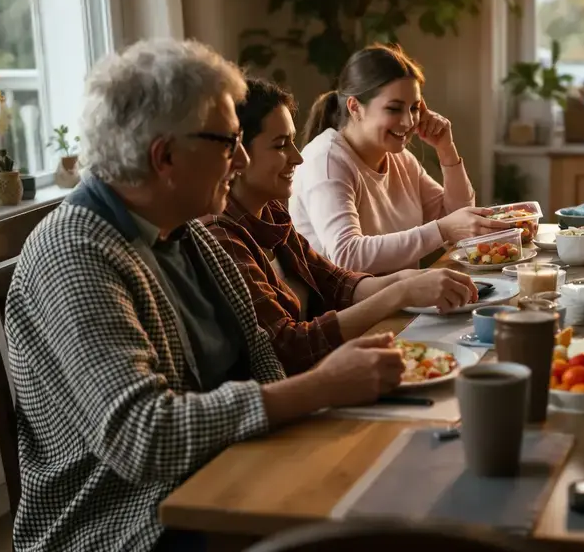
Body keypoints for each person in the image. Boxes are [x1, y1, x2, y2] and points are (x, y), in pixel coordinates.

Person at [5, 40, 407, 552]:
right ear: (165, 156)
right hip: (130, 525)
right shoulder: (75, 254)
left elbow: (261, 356)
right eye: (227, 142)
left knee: (391, 479)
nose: (241, 159)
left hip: (229, 469)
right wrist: (320, 387)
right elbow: (143, 436)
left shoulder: (186, 231)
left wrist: (321, 404)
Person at [205, 78, 480, 375]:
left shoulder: (270, 213)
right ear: (236, 155)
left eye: (414, 108)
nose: (298, 157)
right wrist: (401, 293)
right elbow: (290, 348)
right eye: (281, 145)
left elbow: (337, 284)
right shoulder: (221, 237)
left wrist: (409, 280)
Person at [290, 44, 508, 274]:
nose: (408, 121)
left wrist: (446, 149)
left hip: (403, 293)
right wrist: (441, 230)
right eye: (394, 109)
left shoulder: (401, 159)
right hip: (350, 298)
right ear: (355, 108)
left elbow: (460, 224)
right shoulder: (326, 160)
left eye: (414, 108)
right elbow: (347, 255)